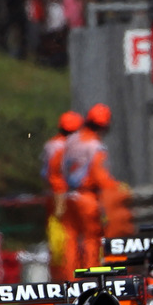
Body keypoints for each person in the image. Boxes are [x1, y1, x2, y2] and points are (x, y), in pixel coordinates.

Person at [56, 103, 120, 273]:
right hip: (87, 197)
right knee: (92, 239)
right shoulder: (95, 146)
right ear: (104, 126)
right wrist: (115, 188)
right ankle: (91, 278)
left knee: (71, 240)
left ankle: (69, 278)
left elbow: (59, 167)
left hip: (69, 195)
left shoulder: (70, 141)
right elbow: (98, 175)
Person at [42, 111, 82, 280]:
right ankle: (71, 281)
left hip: (59, 199)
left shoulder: (51, 145)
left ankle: (63, 281)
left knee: (61, 248)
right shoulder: (70, 148)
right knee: (68, 247)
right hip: (67, 201)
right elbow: (57, 179)